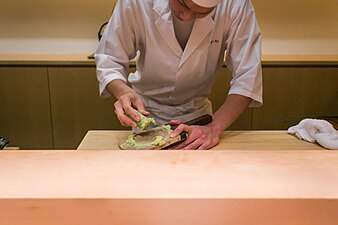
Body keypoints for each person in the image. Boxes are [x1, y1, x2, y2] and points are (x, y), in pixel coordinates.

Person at [95, 0, 263, 150]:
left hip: (198, 120)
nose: (186, 16)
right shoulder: (136, 3)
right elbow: (109, 59)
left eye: (201, 13)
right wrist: (123, 92)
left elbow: (247, 76)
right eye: (183, 4)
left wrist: (214, 128)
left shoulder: (236, 4)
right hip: (147, 113)